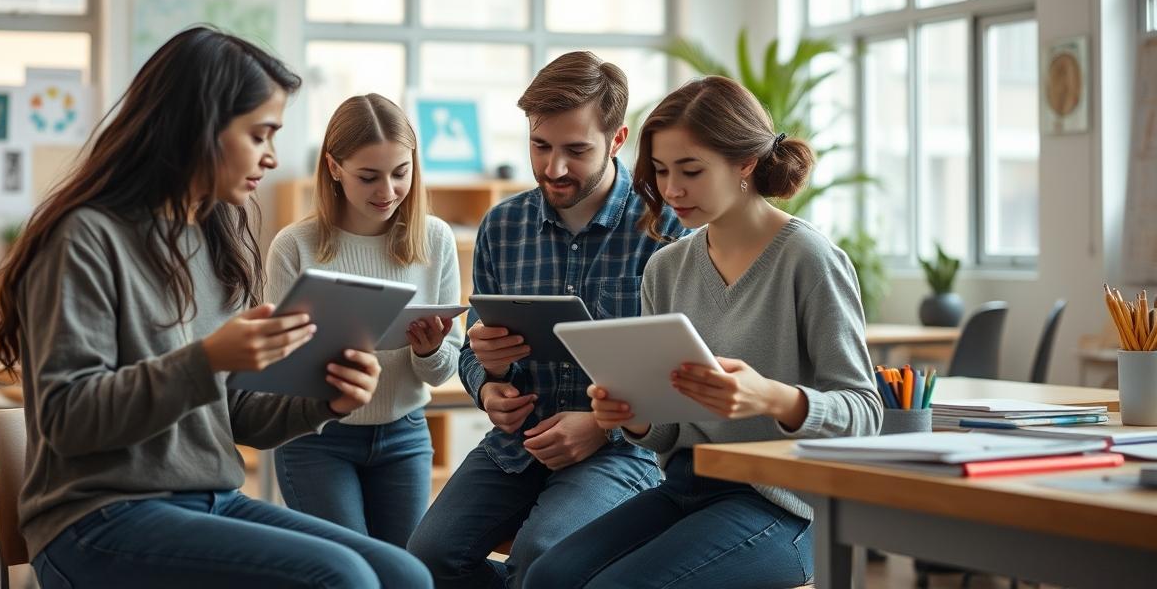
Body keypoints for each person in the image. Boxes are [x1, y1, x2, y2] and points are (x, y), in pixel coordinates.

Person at [0, 27, 432, 589]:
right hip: (95, 518)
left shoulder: (212, 239)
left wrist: (325, 399)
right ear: (199, 130)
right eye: (260, 134)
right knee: (341, 578)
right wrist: (206, 359)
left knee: (406, 576)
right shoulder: (84, 239)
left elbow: (239, 414)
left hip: (211, 499)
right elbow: (68, 419)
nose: (272, 157)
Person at [523, 76, 882, 589]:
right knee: (547, 576)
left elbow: (865, 414)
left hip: (787, 506)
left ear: (746, 164)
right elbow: (669, 431)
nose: (671, 190)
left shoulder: (809, 259)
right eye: (663, 172)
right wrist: (634, 417)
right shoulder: (666, 268)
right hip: (687, 487)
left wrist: (773, 398)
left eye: (690, 170)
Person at [407, 52, 688, 588]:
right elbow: (473, 353)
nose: (553, 168)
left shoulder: (666, 230)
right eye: (540, 146)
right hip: (517, 447)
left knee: (541, 558)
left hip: (622, 452)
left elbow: (681, 373)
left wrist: (601, 427)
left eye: (576, 150)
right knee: (427, 558)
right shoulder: (503, 225)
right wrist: (487, 386)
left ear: (617, 139)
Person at [266, 93, 463, 546]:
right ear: (334, 168)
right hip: (317, 438)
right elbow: (277, 371)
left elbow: (441, 371)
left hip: (405, 435)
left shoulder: (434, 239)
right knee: (352, 572)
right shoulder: (295, 246)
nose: (388, 192)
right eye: (369, 177)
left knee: (405, 572)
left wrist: (429, 349)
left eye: (400, 173)